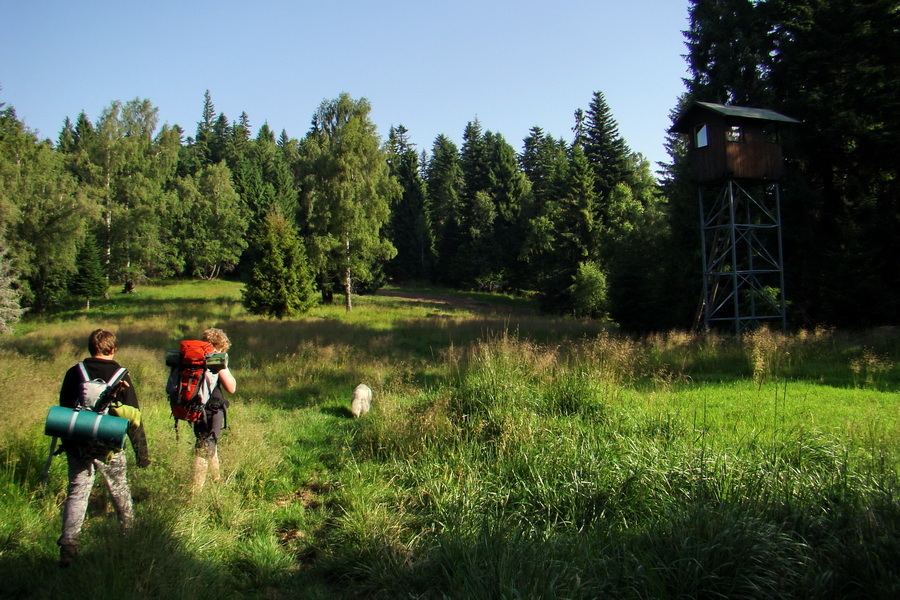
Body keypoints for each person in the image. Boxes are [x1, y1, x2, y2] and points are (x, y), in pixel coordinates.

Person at [56, 328, 150, 567]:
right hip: (110, 444)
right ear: (113, 349)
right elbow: (133, 418)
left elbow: (65, 411)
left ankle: (69, 544)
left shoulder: (74, 372)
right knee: (119, 489)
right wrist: (142, 453)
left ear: (90, 348)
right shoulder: (121, 375)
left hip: (78, 442)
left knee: (77, 492)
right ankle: (129, 537)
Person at [190, 327, 236, 494]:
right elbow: (231, 387)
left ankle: (216, 481)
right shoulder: (215, 359)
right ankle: (195, 492)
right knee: (204, 447)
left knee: (208, 441)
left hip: (195, 407)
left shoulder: (193, 359)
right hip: (212, 408)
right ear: (220, 347)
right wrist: (222, 366)